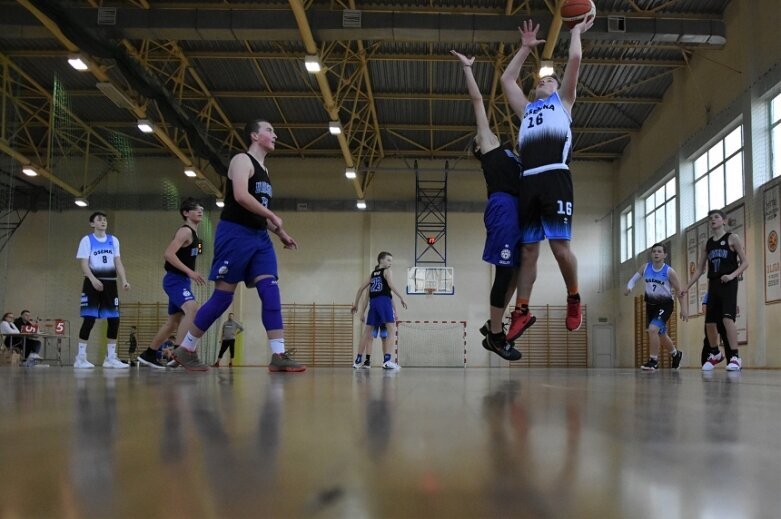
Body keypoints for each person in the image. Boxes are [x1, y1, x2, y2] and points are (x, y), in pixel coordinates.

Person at [174, 119, 303, 372]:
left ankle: (278, 355)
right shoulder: (241, 160)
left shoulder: (266, 171)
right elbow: (242, 197)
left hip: (260, 238)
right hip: (234, 234)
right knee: (223, 299)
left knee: (270, 291)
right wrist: (273, 215)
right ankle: (186, 348)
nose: (275, 134)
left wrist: (280, 232)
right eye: (270, 130)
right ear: (255, 135)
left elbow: (258, 214)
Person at [500, 16, 593, 341]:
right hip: (530, 181)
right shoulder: (526, 111)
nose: (546, 81)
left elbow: (575, 59)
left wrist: (577, 31)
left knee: (559, 249)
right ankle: (522, 311)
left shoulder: (563, 103)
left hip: (555, 177)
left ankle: (574, 297)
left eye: (551, 80)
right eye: (541, 80)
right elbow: (506, 80)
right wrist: (525, 48)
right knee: (528, 251)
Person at [452, 49, 527, 361]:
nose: (486, 132)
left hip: (519, 208)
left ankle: (492, 324)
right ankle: (496, 336)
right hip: (503, 208)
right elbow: (478, 102)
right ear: (478, 147)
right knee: (503, 272)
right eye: (480, 136)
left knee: (520, 271)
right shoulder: (490, 149)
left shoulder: (511, 154)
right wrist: (468, 69)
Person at [138, 198, 205, 369]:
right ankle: (179, 351)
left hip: (182, 281)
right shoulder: (185, 231)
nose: (200, 211)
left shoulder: (196, 237)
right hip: (175, 280)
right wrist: (190, 272)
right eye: (195, 209)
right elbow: (168, 254)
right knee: (192, 308)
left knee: (173, 322)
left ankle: (149, 354)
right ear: (185, 213)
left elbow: (193, 255)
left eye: (201, 208)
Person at [685, 209, 749, 371]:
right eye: (710, 218)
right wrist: (687, 286)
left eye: (716, 217)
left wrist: (731, 275)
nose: (712, 220)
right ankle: (715, 353)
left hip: (728, 283)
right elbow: (700, 269)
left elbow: (745, 262)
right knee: (710, 322)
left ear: (724, 221)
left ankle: (734, 356)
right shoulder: (707, 244)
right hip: (713, 284)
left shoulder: (732, 238)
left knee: (727, 319)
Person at [75, 211, 131, 369]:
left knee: (114, 320)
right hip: (92, 283)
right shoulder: (87, 240)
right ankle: (80, 358)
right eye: (99, 220)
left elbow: (118, 262)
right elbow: (84, 264)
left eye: (105, 220)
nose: (103, 222)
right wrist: (93, 279)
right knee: (89, 319)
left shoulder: (113, 240)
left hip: (110, 284)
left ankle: (111, 358)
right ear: (92, 224)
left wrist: (124, 280)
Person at [624, 243, 688, 370]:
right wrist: (629, 287)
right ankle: (676, 354)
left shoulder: (669, 271)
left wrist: (684, 309)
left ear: (665, 255)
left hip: (665, 304)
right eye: (654, 251)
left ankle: (653, 361)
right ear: (651, 254)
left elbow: (679, 291)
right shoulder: (645, 267)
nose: (656, 253)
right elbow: (632, 280)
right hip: (651, 305)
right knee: (661, 334)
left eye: (659, 251)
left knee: (653, 329)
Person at [350, 252, 407, 370]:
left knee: (367, 332)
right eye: (388, 260)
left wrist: (356, 305)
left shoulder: (372, 274)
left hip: (373, 303)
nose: (390, 263)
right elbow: (390, 285)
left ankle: (357, 360)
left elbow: (361, 289)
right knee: (392, 330)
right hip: (383, 302)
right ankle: (387, 360)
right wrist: (401, 297)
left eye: (391, 260)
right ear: (381, 260)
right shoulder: (387, 272)